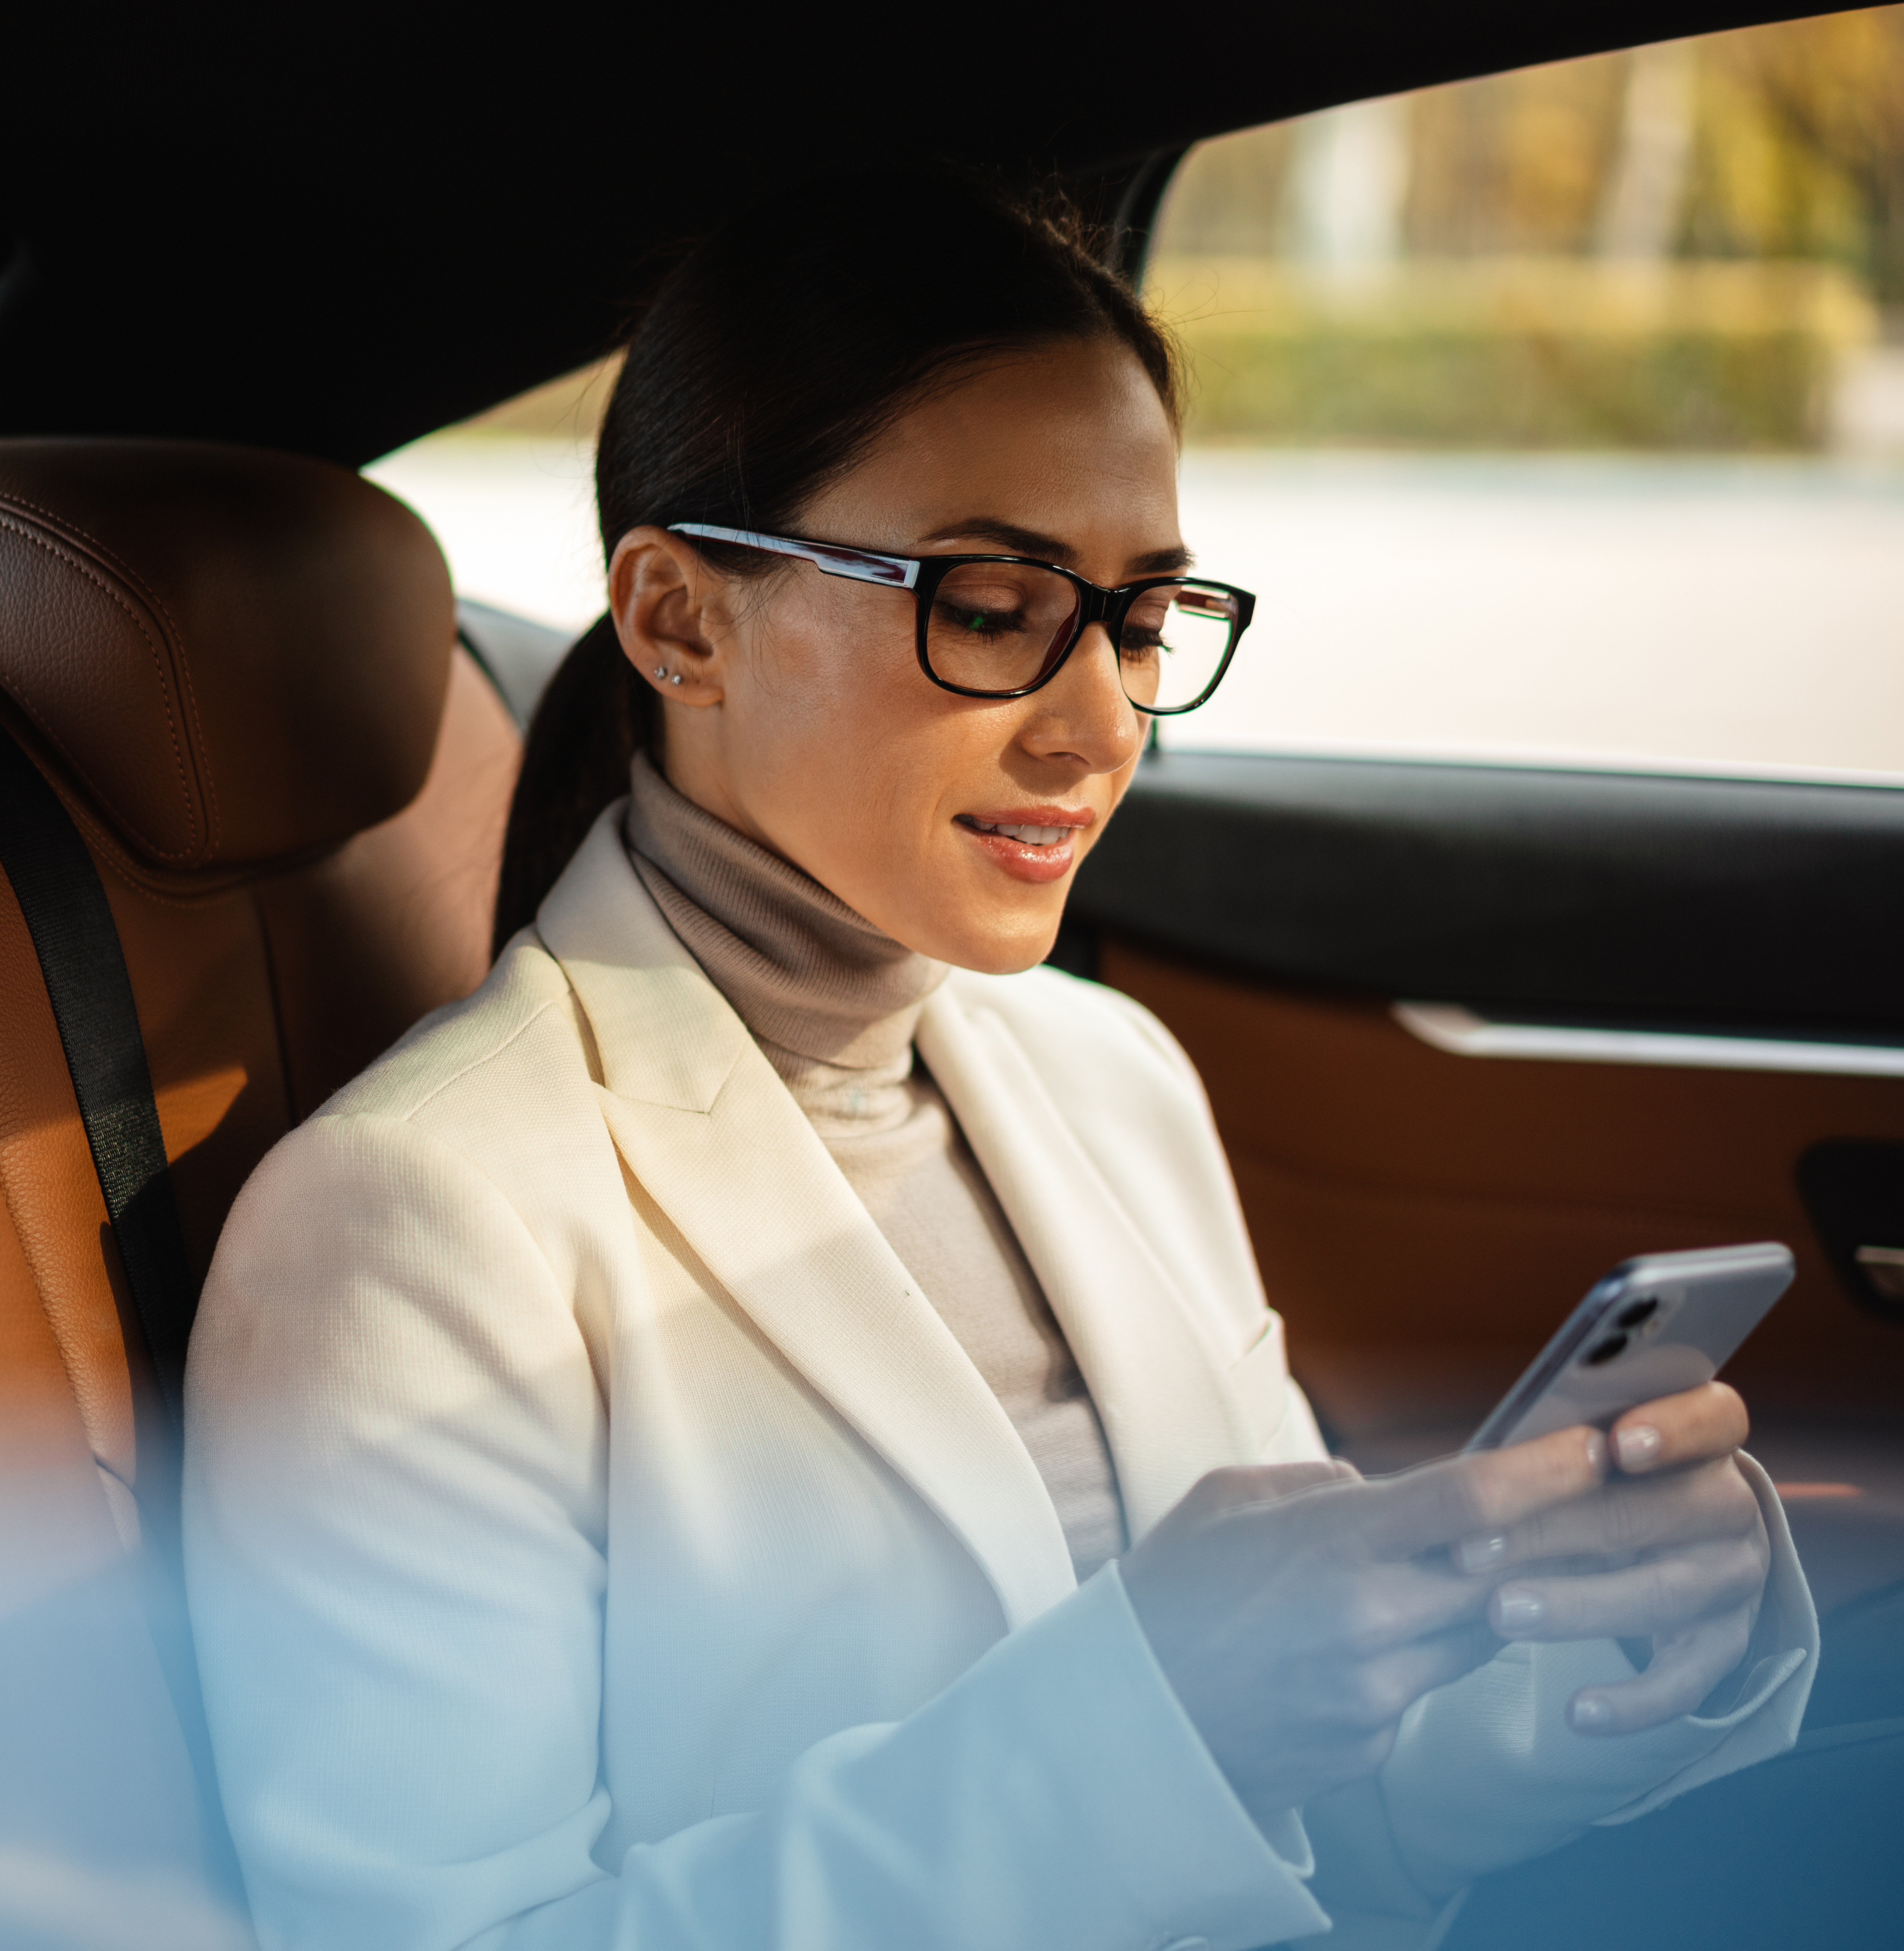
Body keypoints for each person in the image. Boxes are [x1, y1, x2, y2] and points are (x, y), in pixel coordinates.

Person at [182, 171, 1816, 1951]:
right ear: (678, 624)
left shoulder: (1111, 1077)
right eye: (986, 605)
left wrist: (1595, 1660)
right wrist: (1152, 1729)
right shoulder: (405, 1223)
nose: (1100, 724)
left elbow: (1323, 1839)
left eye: (1141, 620)